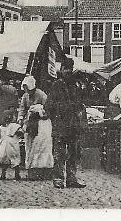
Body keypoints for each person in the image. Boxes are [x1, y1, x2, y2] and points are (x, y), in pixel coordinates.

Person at [46, 57, 86, 189]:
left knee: (74, 153)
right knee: (59, 154)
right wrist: (59, 114)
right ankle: (58, 179)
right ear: (61, 70)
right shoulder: (56, 85)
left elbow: (80, 104)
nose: (68, 71)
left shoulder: (75, 86)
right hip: (60, 126)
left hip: (74, 126)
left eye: (70, 69)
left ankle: (71, 178)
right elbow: (48, 106)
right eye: (66, 69)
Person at [19, 75, 52, 178]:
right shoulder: (25, 96)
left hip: (41, 124)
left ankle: (41, 171)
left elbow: (48, 110)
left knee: (40, 147)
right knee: (29, 147)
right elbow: (22, 108)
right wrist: (20, 117)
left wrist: (39, 110)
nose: (26, 90)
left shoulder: (41, 95)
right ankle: (30, 169)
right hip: (30, 123)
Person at [0, 108, 23, 181]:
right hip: (12, 145)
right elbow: (21, 132)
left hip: (4, 146)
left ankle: (3, 175)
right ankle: (17, 175)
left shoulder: (2, 127)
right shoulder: (15, 126)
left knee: (5, 161)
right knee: (15, 160)